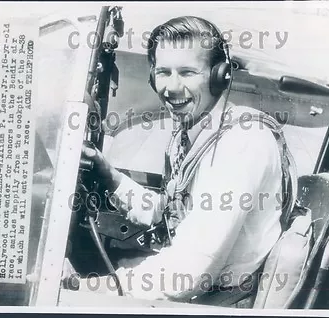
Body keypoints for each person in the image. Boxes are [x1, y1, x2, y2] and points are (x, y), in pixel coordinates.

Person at [82, 16, 288, 305]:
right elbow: (169, 215)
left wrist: (104, 286)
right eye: (164, 72)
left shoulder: (241, 143)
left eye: (188, 72)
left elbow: (190, 272)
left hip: (220, 301)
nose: (172, 87)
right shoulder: (192, 134)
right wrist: (110, 176)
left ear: (219, 76)